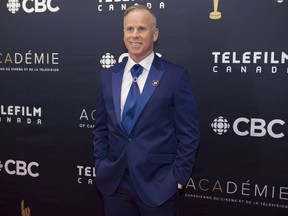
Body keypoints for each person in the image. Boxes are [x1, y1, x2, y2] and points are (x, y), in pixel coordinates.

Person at [93, 5, 200, 216]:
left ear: (155, 33)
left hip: (158, 186)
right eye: (129, 29)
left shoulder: (175, 76)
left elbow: (189, 133)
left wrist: (177, 177)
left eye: (141, 29)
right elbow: (100, 128)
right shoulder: (107, 76)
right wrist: (101, 164)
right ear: (123, 33)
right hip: (115, 185)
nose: (134, 35)